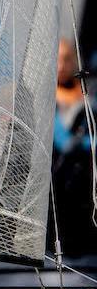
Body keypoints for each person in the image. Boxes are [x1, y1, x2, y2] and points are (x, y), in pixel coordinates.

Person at [52, 38, 97, 257]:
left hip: (83, 188)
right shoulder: (45, 100)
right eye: (57, 60)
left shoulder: (89, 98)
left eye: (66, 60)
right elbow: (62, 141)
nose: (61, 66)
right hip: (57, 186)